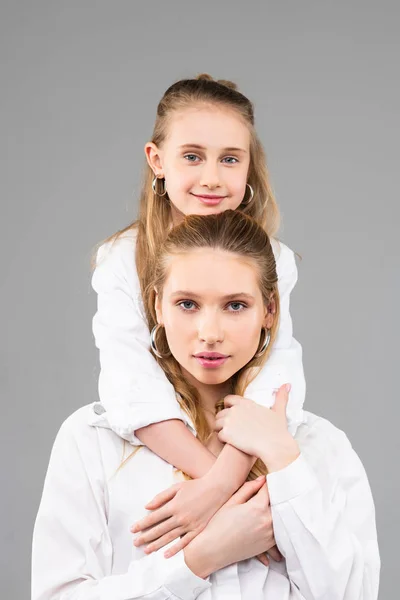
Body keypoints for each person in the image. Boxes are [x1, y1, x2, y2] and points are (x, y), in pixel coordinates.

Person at [32, 211, 380, 599]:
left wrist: (283, 457)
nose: (210, 334)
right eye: (187, 304)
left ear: (270, 311)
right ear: (157, 306)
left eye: (235, 306)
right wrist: (200, 558)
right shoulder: (92, 442)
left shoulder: (319, 447)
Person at [91, 74, 305, 557]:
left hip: (241, 450)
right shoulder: (123, 259)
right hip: (167, 445)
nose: (211, 177)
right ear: (157, 161)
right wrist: (218, 492)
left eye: (230, 159)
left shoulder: (274, 258)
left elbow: (276, 378)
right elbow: (132, 387)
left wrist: (222, 483)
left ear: (250, 168)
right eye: (192, 156)